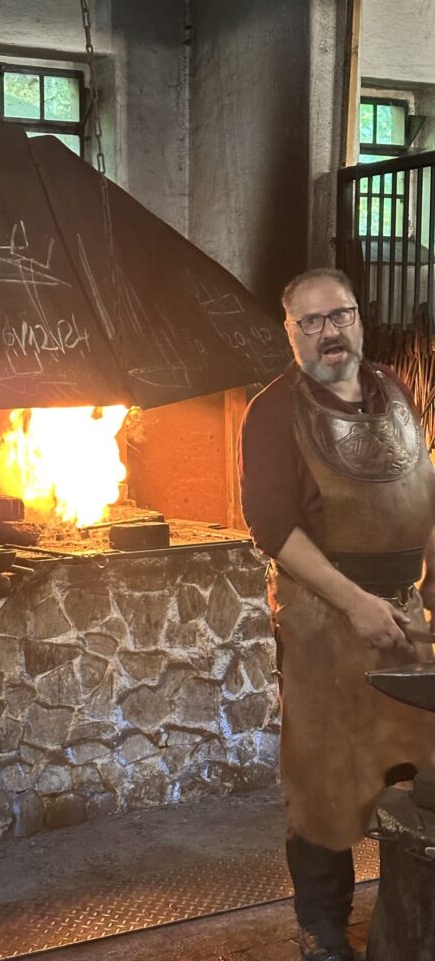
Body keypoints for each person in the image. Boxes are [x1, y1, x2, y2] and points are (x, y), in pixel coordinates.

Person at [238, 269, 435, 961]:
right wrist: (355, 605)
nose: (331, 331)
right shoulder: (272, 411)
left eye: (341, 315)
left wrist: (429, 587)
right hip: (326, 619)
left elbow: (422, 490)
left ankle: (413, 914)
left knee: (419, 773)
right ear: (290, 331)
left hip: (406, 616)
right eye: (313, 321)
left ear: (359, 318)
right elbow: (272, 526)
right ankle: (322, 929)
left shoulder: (395, 389)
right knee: (324, 781)